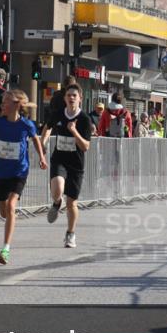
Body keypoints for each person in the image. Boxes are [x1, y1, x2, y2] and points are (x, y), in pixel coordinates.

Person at [0, 89, 48, 265]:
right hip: (1, 172)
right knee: (4, 211)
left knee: (11, 205)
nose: (2, 104)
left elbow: (35, 140)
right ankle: (10, 217)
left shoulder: (26, 125)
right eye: (2, 101)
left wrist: (41, 157)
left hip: (19, 171)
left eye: (5, 101)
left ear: (16, 105)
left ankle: (6, 249)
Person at [45, 85, 92, 248]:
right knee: (57, 187)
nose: (71, 98)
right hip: (59, 159)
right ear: (65, 98)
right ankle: (57, 202)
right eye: (68, 95)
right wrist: (43, 142)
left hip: (76, 164)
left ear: (80, 98)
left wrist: (73, 131)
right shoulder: (58, 114)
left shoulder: (85, 119)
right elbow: (48, 126)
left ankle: (70, 234)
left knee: (72, 202)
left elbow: (86, 146)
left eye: (74, 95)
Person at [41, 76, 78, 140]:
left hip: (55, 128)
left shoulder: (55, 97)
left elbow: (51, 113)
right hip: (67, 129)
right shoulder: (71, 98)